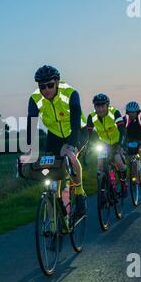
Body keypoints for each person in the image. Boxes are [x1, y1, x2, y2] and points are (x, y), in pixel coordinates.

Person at [26, 65, 88, 214]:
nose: (46, 89)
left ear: (57, 82)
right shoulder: (35, 99)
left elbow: (75, 123)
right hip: (54, 135)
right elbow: (31, 124)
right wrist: (29, 149)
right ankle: (56, 201)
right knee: (51, 168)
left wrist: (72, 146)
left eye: (50, 85)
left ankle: (80, 193)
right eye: (42, 86)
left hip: (77, 130)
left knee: (69, 156)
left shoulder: (71, 94)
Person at [87, 93, 127, 197]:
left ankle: (123, 184)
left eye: (102, 106)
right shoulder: (91, 117)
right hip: (104, 145)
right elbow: (89, 135)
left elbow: (122, 130)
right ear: (94, 106)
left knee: (119, 162)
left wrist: (121, 145)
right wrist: (88, 148)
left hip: (117, 142)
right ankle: (103, 189)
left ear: (107, 105)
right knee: (100, 167)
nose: (100, 109)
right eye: (97, 106)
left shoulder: (115, 113)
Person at [123, 101, 141, 179]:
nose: (131, 114)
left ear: (137, 111)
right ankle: (133, 176)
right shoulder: (125, 119)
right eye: (129, 112)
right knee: (130, 157)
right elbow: (122, 132)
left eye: (133, 112)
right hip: (131, 139)